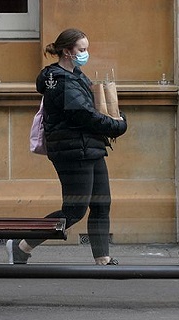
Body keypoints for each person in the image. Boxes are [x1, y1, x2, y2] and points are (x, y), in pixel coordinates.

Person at [7, 28, 128, 266]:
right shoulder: (59, 81)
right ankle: (21, 245)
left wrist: (117, 117)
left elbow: (95, 109)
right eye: (82, 49)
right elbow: (84, 115)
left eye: (86, 49)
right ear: (67, 51)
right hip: (72, 151)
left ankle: (102, 258)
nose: (86, 53)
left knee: (101, 204)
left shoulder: (77, 76)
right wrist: (117, 126)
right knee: (74, 210)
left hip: (89, 147)